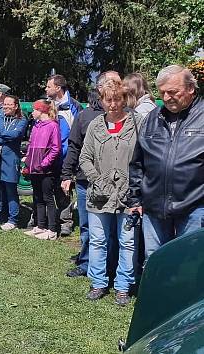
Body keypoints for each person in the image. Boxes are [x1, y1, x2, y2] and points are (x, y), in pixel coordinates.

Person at [128, 64, 204, 260]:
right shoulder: (153, 118)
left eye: (173, 91)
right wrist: (135, 199)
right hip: (154, 208)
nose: (167, 97)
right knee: (155, 261)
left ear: (190, 88)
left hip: (194, 207)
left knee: (190, 262)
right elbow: (137, 162)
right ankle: (159, 292)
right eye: (163, 92)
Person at [79, 79, 142, 305]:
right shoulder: (96, 125)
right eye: (108, 100)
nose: (113, 105)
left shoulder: (137, 123)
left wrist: (135, 185)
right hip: (99, 195)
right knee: (98, 240)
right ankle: (98, 283)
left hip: (128, 195)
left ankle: (123, 286)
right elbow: (84, 158)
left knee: (127, 241)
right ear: (102, 101)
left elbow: (145, 157)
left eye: (117, 99)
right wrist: (98, 179)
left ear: (124, 100)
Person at [61, 71, 120, 277]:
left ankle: (110, 267)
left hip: (115, 183)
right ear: (99, 88)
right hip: (86, 181)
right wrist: (66, 174)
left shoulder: (126, 115)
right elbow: (74, 146)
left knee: (112, 230)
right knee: (87, 226)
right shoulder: (84, 116)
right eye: (109, 84)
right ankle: (86, 263)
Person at [0, 95, 28, 230]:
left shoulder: (21, 119)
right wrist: (4, 138)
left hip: (10, 159)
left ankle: (12, 219)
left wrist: (0, 134)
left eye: (9, 104)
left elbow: (16, 135)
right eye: (5, 104)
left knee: (10, 190)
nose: (6, 107)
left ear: (16, 106)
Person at [45, 74, 82, 236]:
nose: (46, 89)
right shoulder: (47, 104)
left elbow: (78, 133)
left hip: (65, 156)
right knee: (46, 187)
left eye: (48, 86)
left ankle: (66, 220)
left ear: (58, 88)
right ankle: (45, 217)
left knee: (64, 188)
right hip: (47, 155)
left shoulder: (74, 106)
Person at [23, 99, 61, 240]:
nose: (32, 112)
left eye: (34, 109)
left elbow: (56, 148)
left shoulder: (53, 126)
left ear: (42, 111)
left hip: (46, 170)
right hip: (34, 169)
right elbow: (31, 146)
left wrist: (44, 164)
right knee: (38, 197)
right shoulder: (36, 126)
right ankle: (40, 226)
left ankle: (52, 230)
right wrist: (28, 163)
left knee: (48, 198)